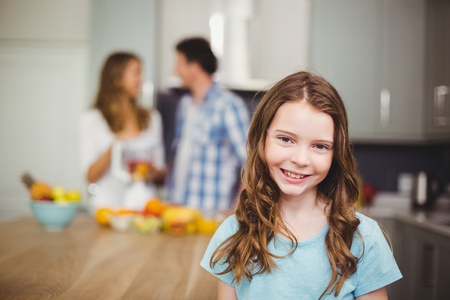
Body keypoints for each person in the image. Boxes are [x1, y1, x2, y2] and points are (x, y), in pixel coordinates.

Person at [200, 71, 402, 299]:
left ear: (336, 153)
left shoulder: (363, 238)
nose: (301, 159)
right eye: (286, 139)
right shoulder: (234, 232)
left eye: (320, 146)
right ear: (261, 140)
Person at [166, 37, 250, 214]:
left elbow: (251, 163)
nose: (175, 69)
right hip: (178, 210)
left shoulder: (228, 105)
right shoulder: (185, 105)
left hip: (210, 215)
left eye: (179, 63)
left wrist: (235, 211)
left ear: (194, 67)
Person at [80, 52, 165, 212]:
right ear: (117, 78)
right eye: (136, 73)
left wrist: (147, 170)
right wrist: (116, 143)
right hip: (106, 209)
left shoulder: (152, 118)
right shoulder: (92, 119)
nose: (141, 78)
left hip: (145, 209)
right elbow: (90, 176)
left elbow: (159, 170)